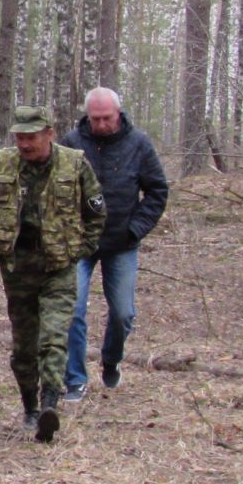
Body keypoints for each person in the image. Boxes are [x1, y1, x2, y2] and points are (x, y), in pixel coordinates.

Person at [0, 105, 105, 444]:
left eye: (31, 137)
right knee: (24, 344)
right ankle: (29, 408)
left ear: (49, 134)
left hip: (58, 267)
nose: (24, 144)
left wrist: (78, 250)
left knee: (53, 336)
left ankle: (50, 403)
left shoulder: (75, 164)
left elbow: (96, 213)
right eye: (19, 137)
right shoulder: (2, 163)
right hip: (18, 267)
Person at [61, 86, 169, 399]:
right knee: (73, 309)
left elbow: (157, 191)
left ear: (118, 114)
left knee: (123, 313)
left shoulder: (139, 144)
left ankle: (111, 360)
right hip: (80, 244)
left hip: (122, 243)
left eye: (107, 117)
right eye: (95, 118)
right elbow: (58, 191)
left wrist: (135, 229)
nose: (101, 124)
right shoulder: (71, 144)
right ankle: (75, 379)